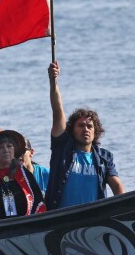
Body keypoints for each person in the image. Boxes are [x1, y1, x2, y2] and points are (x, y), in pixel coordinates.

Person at [47, 62, 124, 209]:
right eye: (81, 125)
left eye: (90, 126)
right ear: (72, 129)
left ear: (96, 131)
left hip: (93, 218)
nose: (86, 129)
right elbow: (58, 112)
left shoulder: (104, 158)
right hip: (60, 217)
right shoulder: (62, 148)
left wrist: (122, 211)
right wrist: (53, 81)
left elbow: (116, 185)